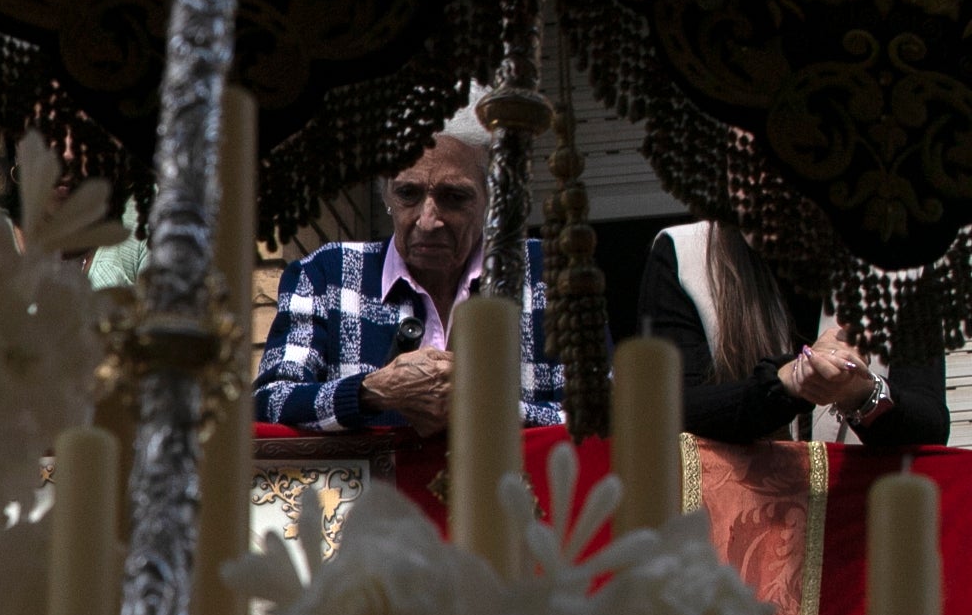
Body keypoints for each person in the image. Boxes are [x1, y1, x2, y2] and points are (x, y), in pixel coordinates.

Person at [252, 109, 566, 434]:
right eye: (408, 194)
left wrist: (487, 407)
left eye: (454, 197)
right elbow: (270, 402)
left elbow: (601, 417)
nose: (427, 221)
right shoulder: (325, 275)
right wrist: (372, 391)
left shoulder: (547, 273)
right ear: (386, 193)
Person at [638, 220, 946, 449]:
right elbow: (665, 411)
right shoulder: (684, 253)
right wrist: (783, 385)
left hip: (855, 524)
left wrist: (860, 393)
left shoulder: (902, 261)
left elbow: (931, 428)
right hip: (726, 528)